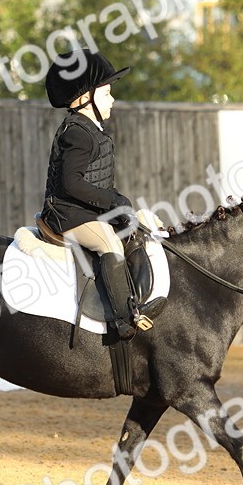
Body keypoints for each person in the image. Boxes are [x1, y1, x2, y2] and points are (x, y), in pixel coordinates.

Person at [41, 48, 151, 340]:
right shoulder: (77, 132)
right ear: (84, 98)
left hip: (84, 210)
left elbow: (97, 181)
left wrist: (118, 200)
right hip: (67, 214)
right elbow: (71, 184)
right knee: (110, 245)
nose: (112, 100)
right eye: (106, 94)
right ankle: (123, 320)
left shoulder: (93, 129)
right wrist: (112, 202)